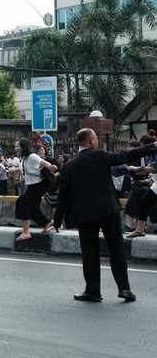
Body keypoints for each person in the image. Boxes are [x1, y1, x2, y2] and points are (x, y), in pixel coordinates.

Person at [54, 128, 157, 303]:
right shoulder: (101, 156)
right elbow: (126, 156)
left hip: (85, 214)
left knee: (90, 252)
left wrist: (57, 221)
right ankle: (124, 289)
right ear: (92, 141)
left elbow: (63, 195)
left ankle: (93, 291)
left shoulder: (69, 165)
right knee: (116, 249)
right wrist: (152, 146)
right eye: (96, 139)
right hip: (108, 210)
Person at [7, 138, 57, 241]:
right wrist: (9, 170)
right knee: (33, 208)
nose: (15, 148)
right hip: (32, 185)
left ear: (23, 147)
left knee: (22, 202)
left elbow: (43, 162)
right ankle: (47, 223)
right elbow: (21, 170)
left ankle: (26, 232)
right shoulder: (24, 159)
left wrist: (50, 166)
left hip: (38, 185)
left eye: (17, 146)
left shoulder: (33, 156)